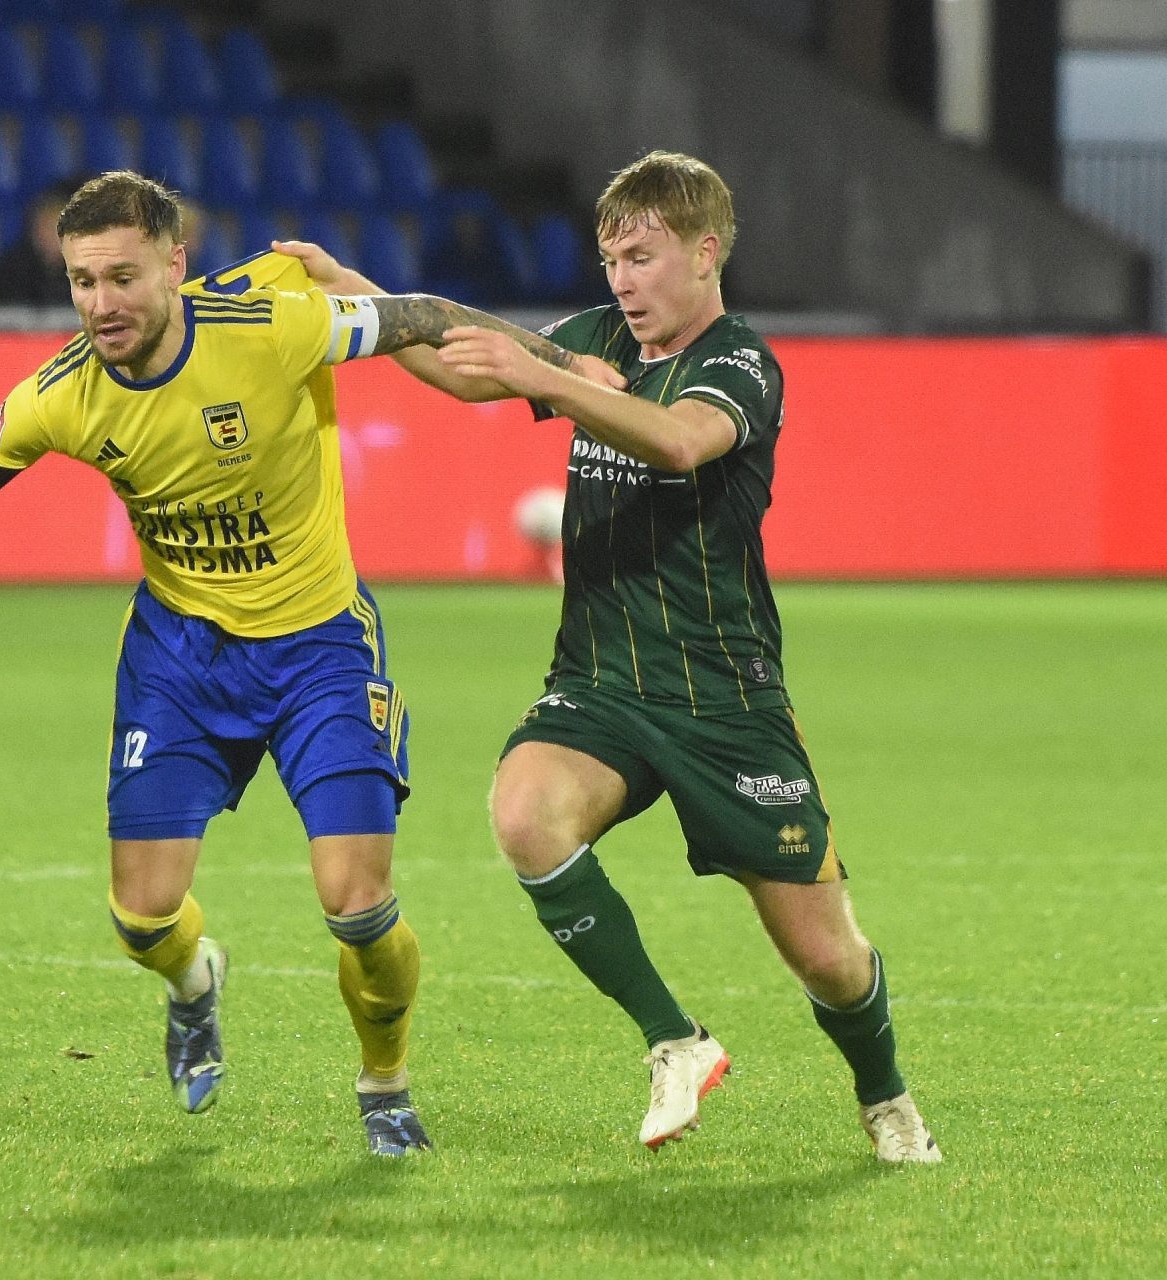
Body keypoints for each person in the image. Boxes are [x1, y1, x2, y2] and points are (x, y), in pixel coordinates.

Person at [0, 170, 590, 1157]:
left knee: (357, 899)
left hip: (320, 644)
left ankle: (383, 1081)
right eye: (82, 280)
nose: (100, 303)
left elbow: (426, 317)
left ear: (175, 265)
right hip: (180, 656)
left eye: (122, 277)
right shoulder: (63, 395)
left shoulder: (275, 321)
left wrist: (564, 369)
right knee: (141, 916)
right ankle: (193, 982)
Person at [279, 150, 941, 1164]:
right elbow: (463, 351)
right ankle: (676, 1040)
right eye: (610, 261)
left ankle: (885, 1093)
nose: (622, 281)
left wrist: (546, 377)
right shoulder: (592, 341)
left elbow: (677, 442)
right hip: (599, 684)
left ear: (705, 251)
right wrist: (355, 291)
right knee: (522, 809)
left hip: (725, 698)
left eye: (642, 256)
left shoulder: (741, 363)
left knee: (827, 955)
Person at [0, 181, 77, 307]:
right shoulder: (14, 267)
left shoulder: (82, 268)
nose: (50, 236)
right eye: (45, 227)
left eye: (56, 228)